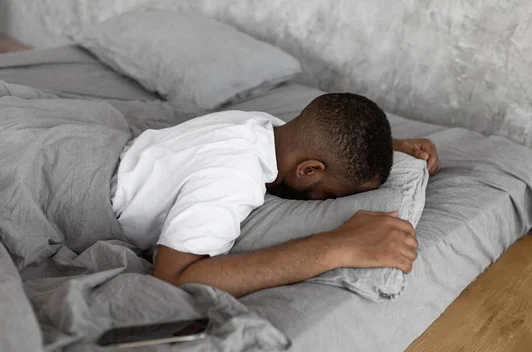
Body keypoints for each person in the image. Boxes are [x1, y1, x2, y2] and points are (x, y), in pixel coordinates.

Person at [111, 93, 440, 297]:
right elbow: (171, 280)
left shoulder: (262, 128)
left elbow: (331, 139)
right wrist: (337, 247)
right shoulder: (232, 178)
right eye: (328, 196)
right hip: (80, 178)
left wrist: (393, 148)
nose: (325, 202)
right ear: (309, 170)